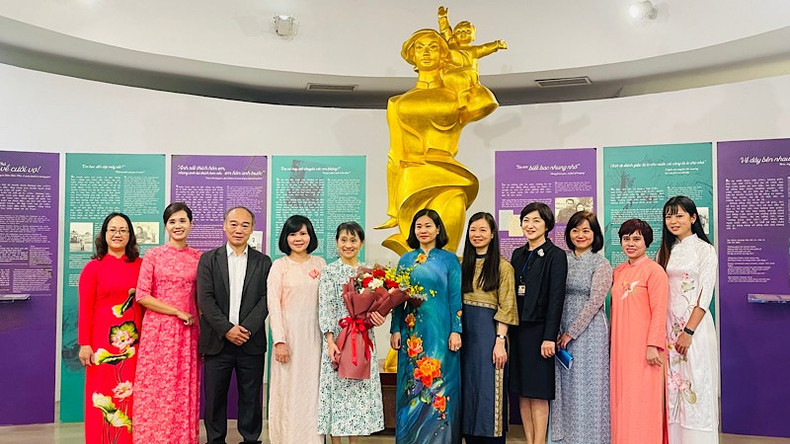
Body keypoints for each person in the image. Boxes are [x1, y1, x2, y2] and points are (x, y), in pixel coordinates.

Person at [376, 28, 500, 255]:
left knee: (447, 251)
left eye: (433, 47)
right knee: (414, 252)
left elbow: (486, 102)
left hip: (449, 175)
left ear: (444, 53)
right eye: (420, 47)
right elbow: (395, 154)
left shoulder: (457, 96)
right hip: (412, 177)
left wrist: (466, 71)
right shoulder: (397, 103)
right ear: (412, 54)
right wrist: (393, 208)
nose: (426, 52)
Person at [197, 206, 271, 444]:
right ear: (224, 226)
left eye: (245, 225)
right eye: (233, 224)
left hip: (251, 341)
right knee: (214, 397)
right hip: (217, 341)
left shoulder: (263, 262)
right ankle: (215, 440)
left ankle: (250, 439)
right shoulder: (208, 260)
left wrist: (245, 329)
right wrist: (227, 329)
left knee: (251, 396)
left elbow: (266, 299)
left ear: (252, 229)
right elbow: (205, 299)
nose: (239, 229)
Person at [389, 209, 462, 443]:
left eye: (428, 225)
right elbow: (397, 298)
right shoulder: (406, 260)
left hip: (442, 331)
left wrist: (456, 330)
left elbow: (455, 298)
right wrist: (395, 328)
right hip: (413, 333)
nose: (423, 230)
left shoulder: (449, 260)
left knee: (441, 386)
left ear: (438, 229)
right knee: (412, 385)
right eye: (419, 226)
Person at [133, 202, 202, 444]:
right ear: (165, 226)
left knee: (183, 386)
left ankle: (181, 438)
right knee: (155, 386)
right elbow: (142, 295)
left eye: (182, 220)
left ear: (191, 224)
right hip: (158, 331)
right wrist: (175, 311)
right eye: (172, 222)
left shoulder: (199, 258)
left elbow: (202, 298)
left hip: (188, 332)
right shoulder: (154, 255)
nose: (177, 226)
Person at [657, 196, 719, 444]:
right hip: (668, 328)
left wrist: (689, 332)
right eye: (669, 216)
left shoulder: (705, 250)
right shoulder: (665, 250)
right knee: (673, 387)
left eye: (679, 215)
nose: (673, 220)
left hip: (694, 329)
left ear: (693, 218)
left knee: (695, 383)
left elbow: (705, 295)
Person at [317, 222, 386, 443]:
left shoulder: (369, 274)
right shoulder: (329, 272)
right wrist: (330, 341)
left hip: (363, 338)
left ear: (361, 243)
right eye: (344, 240)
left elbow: (376, 306)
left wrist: (378, 317)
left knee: (358, 393)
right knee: (336, 393)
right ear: (337, 243)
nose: (348, 245)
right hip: (338, 339)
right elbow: (325, 307)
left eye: (353, 240)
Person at [78, 212, 142, 444]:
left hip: (133, 344)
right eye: (112, 230)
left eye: (123, 230)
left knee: (131, 394)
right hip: (101, 344)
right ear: (104, 234)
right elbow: (85, 308)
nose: (118, 234)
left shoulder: (141, 266)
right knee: (101, 395)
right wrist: (85, 343)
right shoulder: (93, 268)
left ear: (130, 235)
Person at [551, 211, 612, 444]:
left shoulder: (601, 263)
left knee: (589, 386)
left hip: (590, 332)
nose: (580, 235)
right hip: (561, 328)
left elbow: (595, 302)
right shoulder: (562, 260)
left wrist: (571, 332)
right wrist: (558, 330)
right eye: (575, 230)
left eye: (586, 230)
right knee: (566, 386)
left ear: (595, 234)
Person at [509, 202, 567, 444]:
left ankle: (540, 441)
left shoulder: (556, 255)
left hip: (540, 332)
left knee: (539, 392)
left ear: (547, 225)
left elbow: (556, 299)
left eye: (536, 220)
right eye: (526, 220)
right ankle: (530, 439)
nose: (530, 225)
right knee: (523, 391)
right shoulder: (517, 254)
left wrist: (549, 337)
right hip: (518, 331)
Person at [267, 215, 326, 444]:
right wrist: (279, 341)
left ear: (310, 236)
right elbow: (273, 305)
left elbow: (328, 303)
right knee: (288, 391)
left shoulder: (320, 264)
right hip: (289, 338)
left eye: (303, 233)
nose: (298, 238)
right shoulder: (279, 266)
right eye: (293, 234)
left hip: (314, 338)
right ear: (286, 238)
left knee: (312, 391)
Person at [459, 212, 518, 444]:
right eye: (473, 230)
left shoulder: (503, 267)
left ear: (493, 234)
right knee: (466, 392)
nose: (477, 235)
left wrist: (499, 341)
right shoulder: (461, 265)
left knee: (488, 394)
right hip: (463, 337)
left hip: (490, 338)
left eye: (483, 230)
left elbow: (507, 306)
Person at [610, 219, 668, 444]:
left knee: (644, 400)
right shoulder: (618, 271)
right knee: (622, 399)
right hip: (621, 348)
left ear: (647, 242)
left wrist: (653, 345)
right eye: (626, 239)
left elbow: (660, 310)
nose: (630, 243)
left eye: (636, 239)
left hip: (645, 349)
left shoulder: (654, 271)